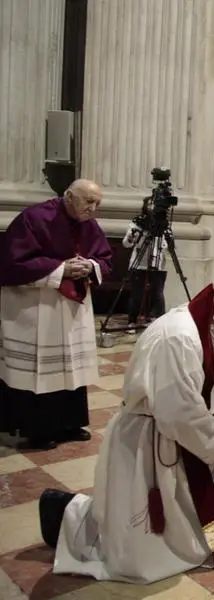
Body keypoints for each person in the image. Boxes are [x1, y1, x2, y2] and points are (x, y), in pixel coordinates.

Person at [40, 284, 214, 584]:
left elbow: (200, 384)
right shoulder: (180, 336)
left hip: (175, 430)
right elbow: (177, 412)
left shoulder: (206, 323)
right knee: (141, 546)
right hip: (150, 438)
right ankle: (65, 514)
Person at [0, 179, 113, 450]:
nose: (93, 209)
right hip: (38, 307)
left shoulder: (89, 225)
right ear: (69, 196)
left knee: (71, 368)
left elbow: (105, 258)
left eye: (97, 203)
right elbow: (13, 263)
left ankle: (69, 424)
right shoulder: (34, 218)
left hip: (72, 309)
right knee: (41, 370)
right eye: (88, 201)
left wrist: (90, 266)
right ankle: (38, 430)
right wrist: (61, 269)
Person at [123, 196, 168, 332]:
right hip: (139, 263)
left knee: (158, 294)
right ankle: (132, 322)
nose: (152, 207)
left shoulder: (163, 224)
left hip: (157, 263)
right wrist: (134, 236)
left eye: (155, 204)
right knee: (137, 294)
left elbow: (166, 245)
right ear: (145, 206)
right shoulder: (137, 223)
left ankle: (158, 321)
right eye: (150, 204)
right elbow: (126, 243)